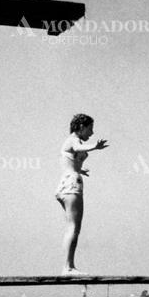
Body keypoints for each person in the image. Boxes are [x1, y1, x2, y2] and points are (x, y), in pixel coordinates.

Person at [55, 114, 108, 276]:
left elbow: (67, 159)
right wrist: (94, 147)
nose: (91, 133)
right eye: (90, 128)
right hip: (72, 184)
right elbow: (77, 148)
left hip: (66, 183)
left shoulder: (69, 142)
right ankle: (68, 267)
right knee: (74, 227)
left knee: (71, 227)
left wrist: (79, 169)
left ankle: (68, 265)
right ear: (81, 127)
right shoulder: (72, 140)